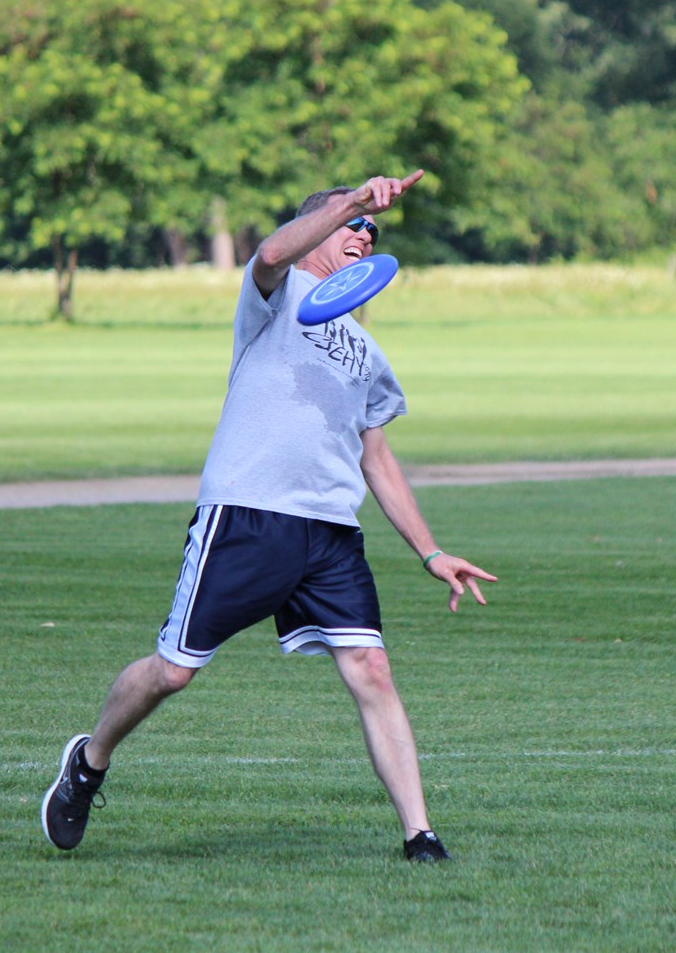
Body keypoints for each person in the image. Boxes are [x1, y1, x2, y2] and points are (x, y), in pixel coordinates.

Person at [41, 169, 496, 862]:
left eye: (373, 232)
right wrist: (352, 199)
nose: (365, 235)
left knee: (372, 668)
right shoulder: (274, 297)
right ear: (321, 226)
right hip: (247, 513)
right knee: (174, 671)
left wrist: (431, 552)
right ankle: (89, 760)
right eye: (354, 226)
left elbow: (376, 457)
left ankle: (420, 834)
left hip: (331, 530)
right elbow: (273, 252)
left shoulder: (368, 351)